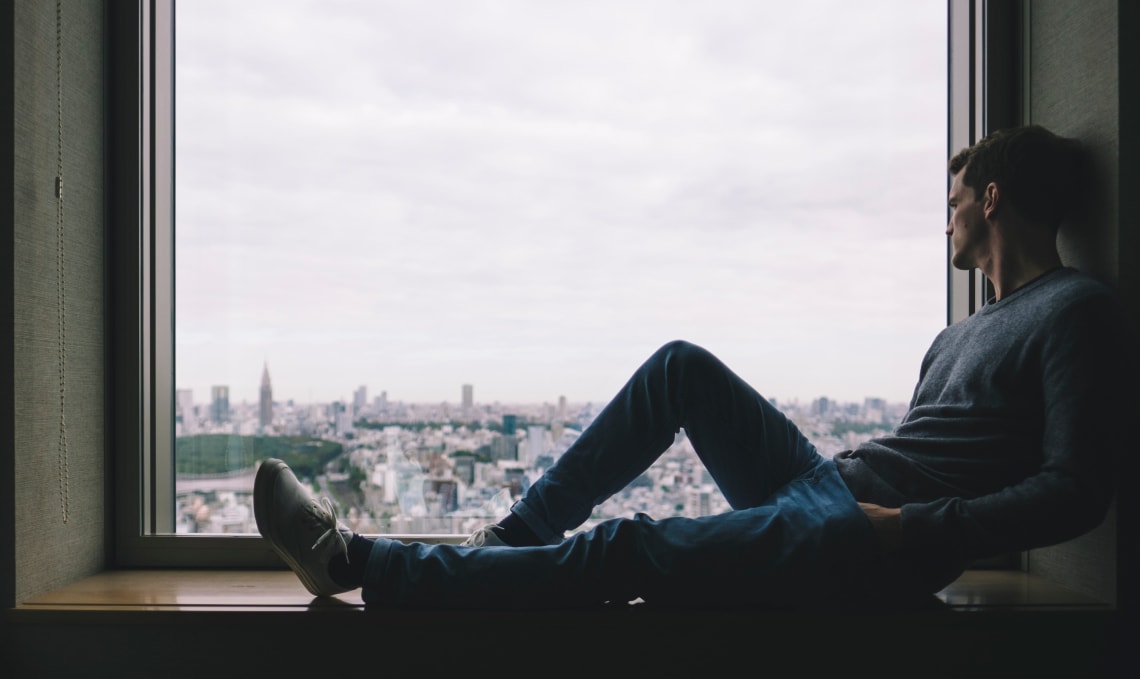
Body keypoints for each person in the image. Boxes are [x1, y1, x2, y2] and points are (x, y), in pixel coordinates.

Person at [253, 124, 1131, 610]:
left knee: (629, 545)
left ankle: (354, 561)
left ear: (991, 197)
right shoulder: (958, 335)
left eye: (953, 204)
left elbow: (1077, 489)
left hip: (871, 536)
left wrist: (909, 529)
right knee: (680, 367)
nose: (945, 224)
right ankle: (513, 537)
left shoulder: (1074, 308)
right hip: (840, 490)